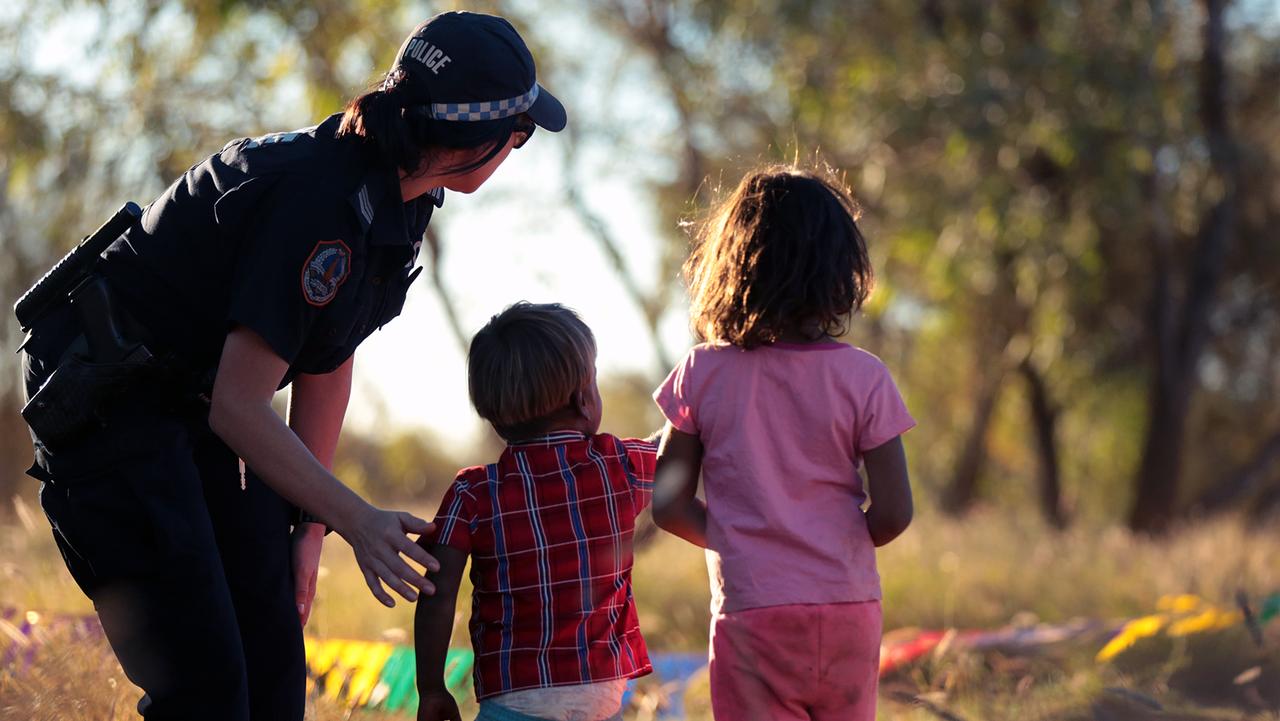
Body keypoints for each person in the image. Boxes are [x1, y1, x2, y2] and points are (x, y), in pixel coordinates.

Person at [18, 12, 565, 721]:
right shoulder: (320, 202)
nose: (518, 147)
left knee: (274, 657)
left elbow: (325, 357)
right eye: (518, 133)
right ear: (472, 137)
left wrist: (308, 532)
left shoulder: (404, 197)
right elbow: (240, 407)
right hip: (106, 398)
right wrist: (359, 521)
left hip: (195, 397)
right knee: (208, 684)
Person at [650, 166, 916, 721]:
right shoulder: (866, 378)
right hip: (850, 608)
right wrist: (833, 545)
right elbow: (893, 513)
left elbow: (669, 504)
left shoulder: (703, 373)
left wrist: (740, 545)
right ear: (843, 271)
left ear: (729, 266)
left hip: (754, 614)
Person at [414, 302, 655, 721]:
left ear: (492, 415)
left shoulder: (473, 492)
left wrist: (432, 687)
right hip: (604, 698)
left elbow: (437, 592)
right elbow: (675, 450)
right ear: (584, 400)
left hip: (512, 698)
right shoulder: (618, 464)